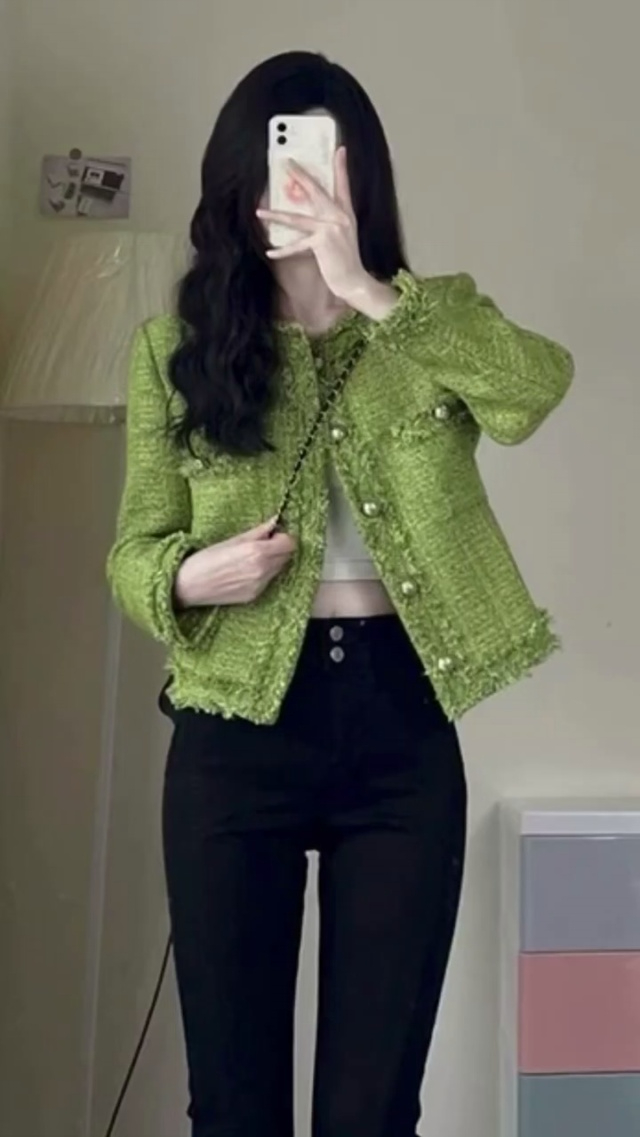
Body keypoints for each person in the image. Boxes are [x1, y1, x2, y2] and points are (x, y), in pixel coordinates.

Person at [107, 50, 573, 1137]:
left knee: (374, 1109)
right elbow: (132, 549)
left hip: (398, 729)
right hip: (233, 732)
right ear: (238, 182)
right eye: (280, 162)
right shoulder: (175, 351)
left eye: (325, 161)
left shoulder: (430, 323)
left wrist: (368, 291)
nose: (299, 185)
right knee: (233, 1107)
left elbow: (533, 388)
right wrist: (191, 575)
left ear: (364, 176)